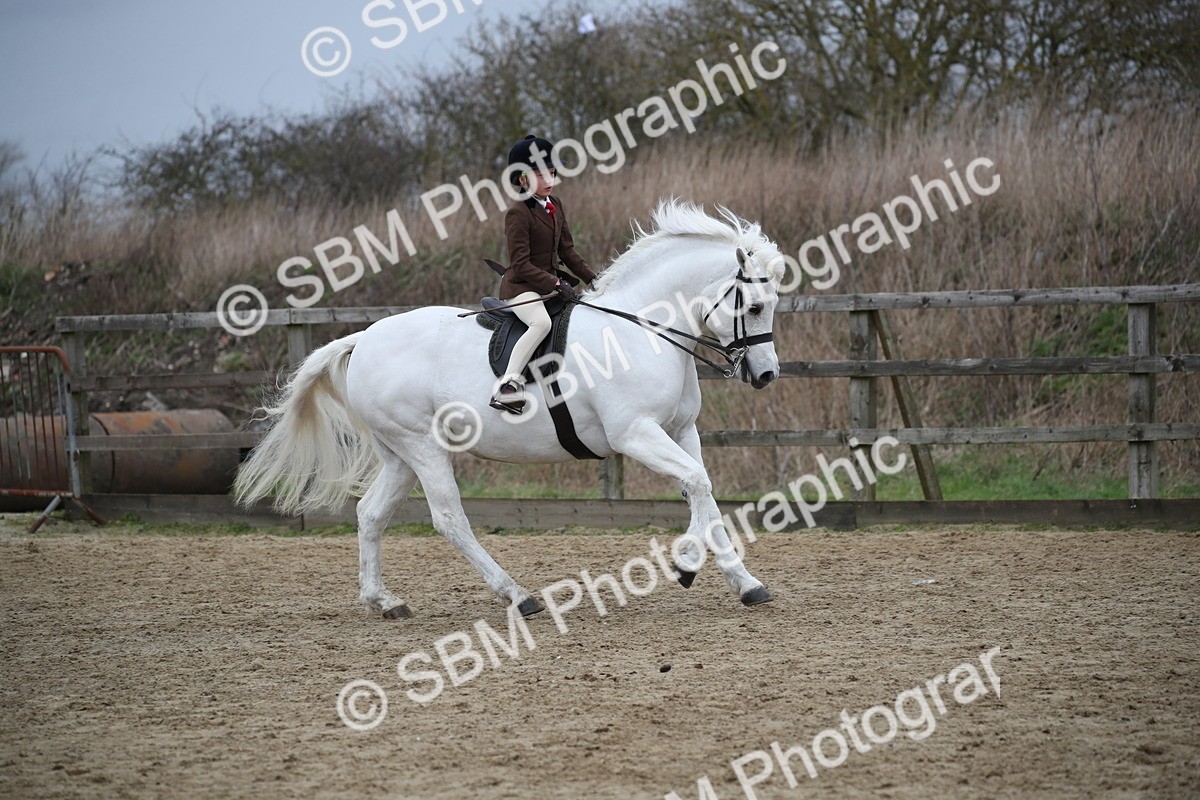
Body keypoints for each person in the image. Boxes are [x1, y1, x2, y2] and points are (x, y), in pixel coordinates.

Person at [489, 134, 598, 414]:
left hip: (548, 287)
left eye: (552, 172)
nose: (549, 179)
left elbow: (567, 251)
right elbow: (521, 264)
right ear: (523, 179)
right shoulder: (518, 213)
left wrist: (594, 279)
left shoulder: (555, 204)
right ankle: (508, 385)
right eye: (540, 175)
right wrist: (556, 282)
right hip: (521, 287)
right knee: (541, 324)